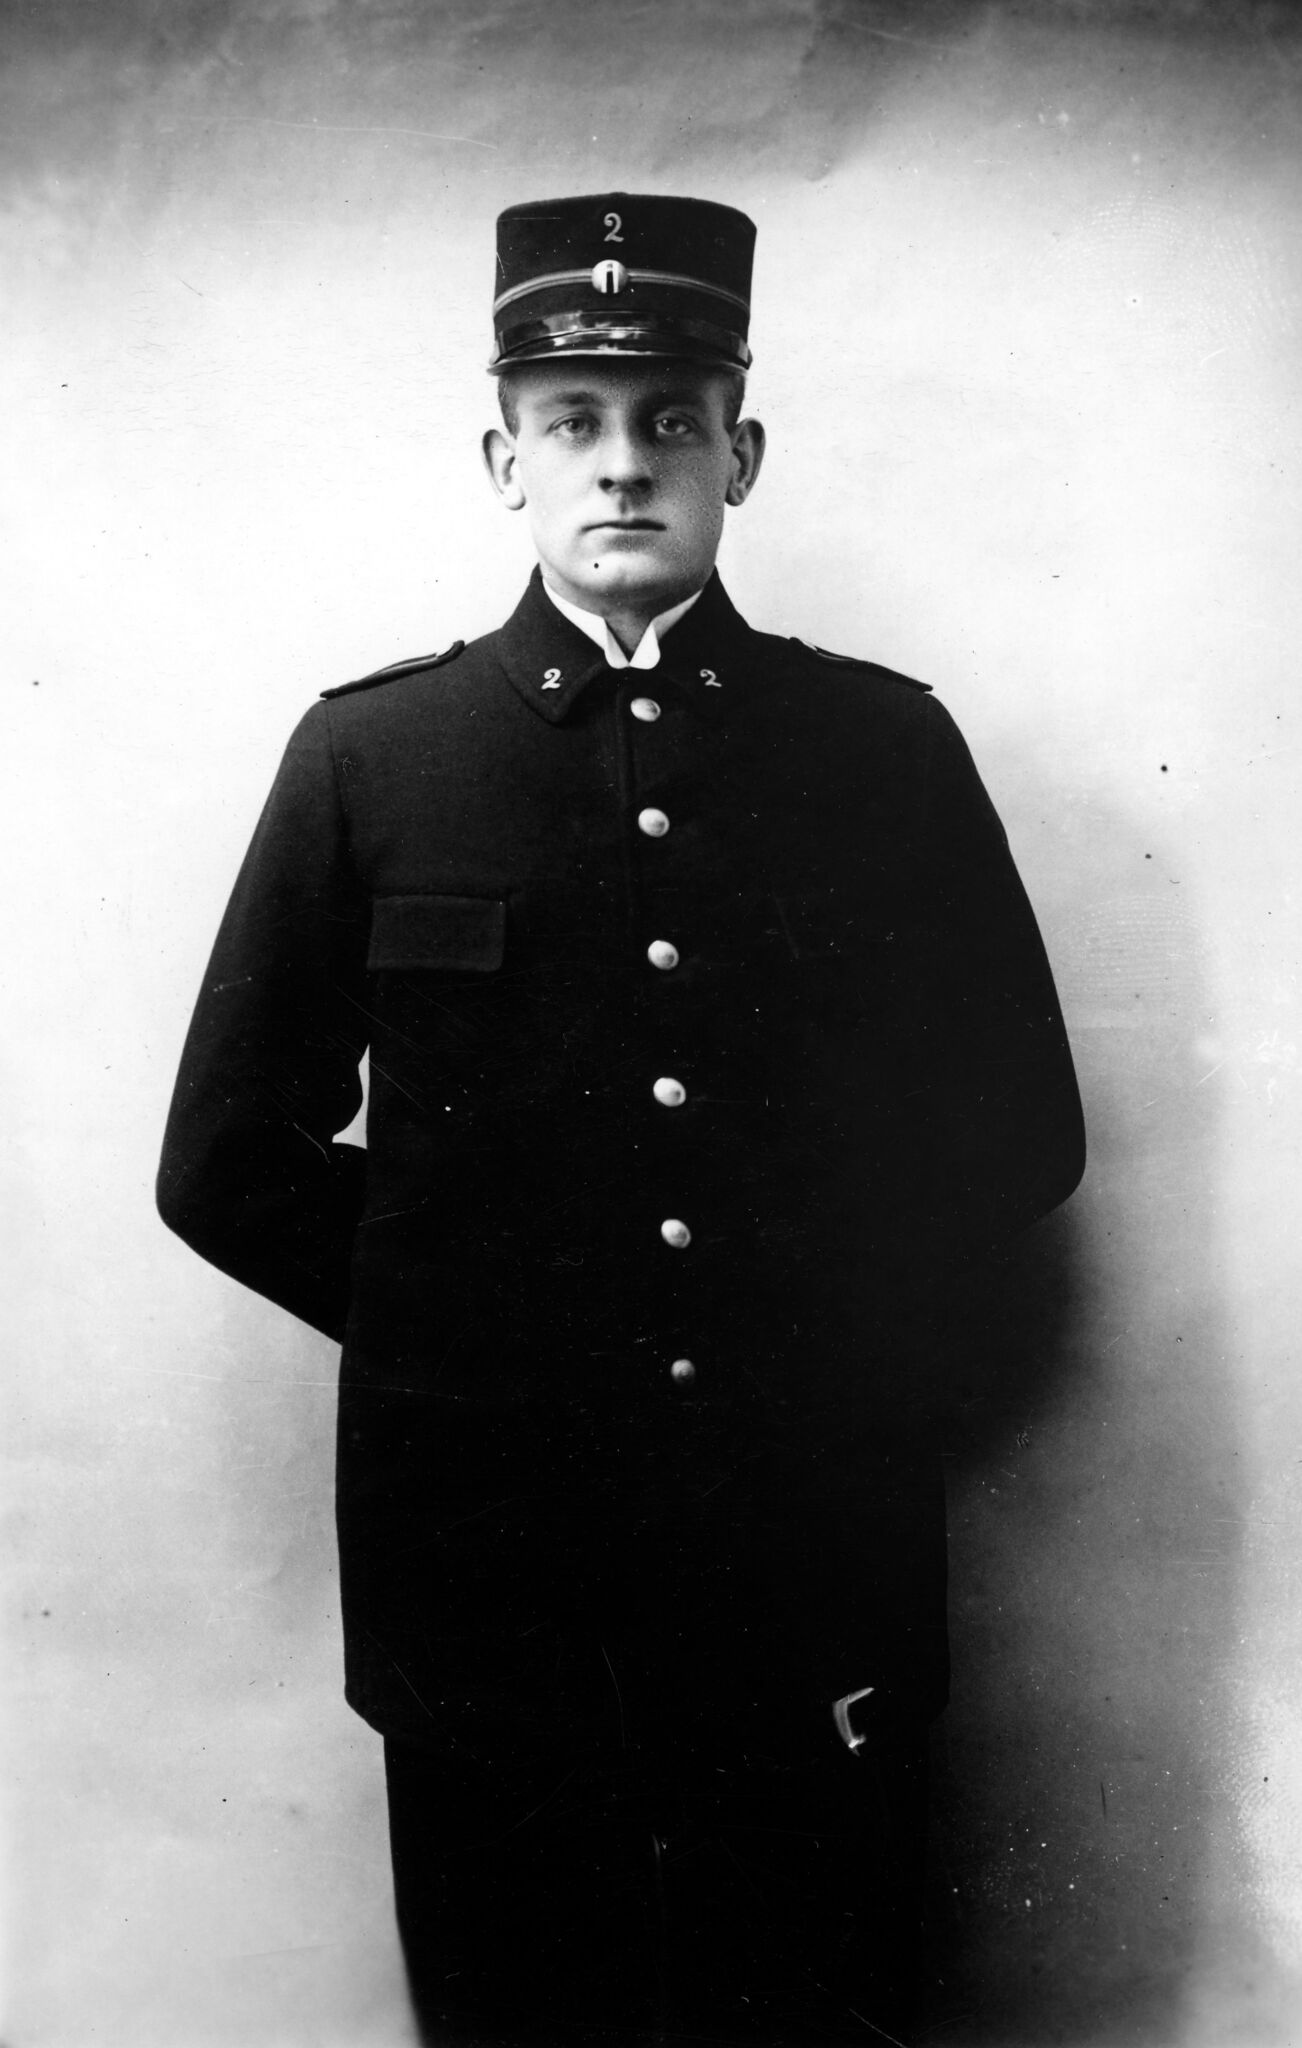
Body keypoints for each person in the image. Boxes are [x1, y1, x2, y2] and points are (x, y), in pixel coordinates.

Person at [158, 191, 1085, 2046]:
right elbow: (224, 1161)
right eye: (571, 423)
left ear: (740, 452)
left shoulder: (879, 751)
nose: (621, 464)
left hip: (804, 1525)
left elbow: (1014, 1130)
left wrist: (805, 1330)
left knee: (807, 1995)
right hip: (487, 1550)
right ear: (502, 461)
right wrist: (477, 1332)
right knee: (523, 2000)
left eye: (671, 419)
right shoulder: (374, 758)